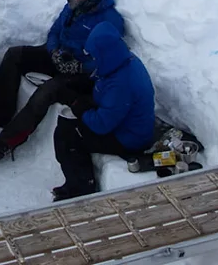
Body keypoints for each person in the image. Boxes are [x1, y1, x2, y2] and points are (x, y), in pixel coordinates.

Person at [0, 0, 124, 162]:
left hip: (81, 73)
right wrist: (54, 52)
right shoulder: (73, 5)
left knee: (48, 91)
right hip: (60, 56)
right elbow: (53, 32)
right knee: (14, 55)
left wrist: (79, 67)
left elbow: (110, 59)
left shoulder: (110, 21)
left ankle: (7, 142)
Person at [52, 21, 155, 201]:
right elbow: (104, 84)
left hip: (129, 137)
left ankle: (81, 189)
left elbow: (101, 125)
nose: (91, 58)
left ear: (103, 53)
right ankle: (78, 181)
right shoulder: (122, 61)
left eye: (93, 54)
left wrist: (78, 105)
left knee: (67, 134)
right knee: (70, 121)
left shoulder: (121, 84)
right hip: (123, 122)